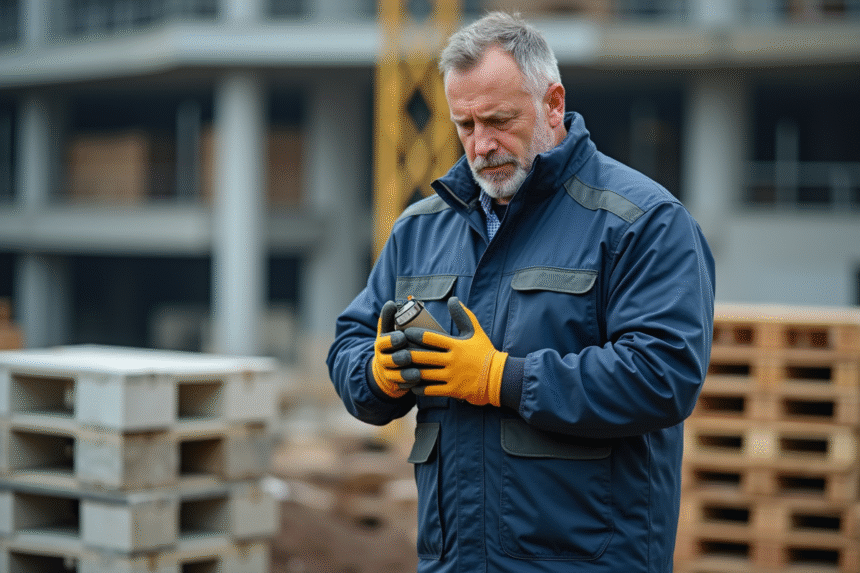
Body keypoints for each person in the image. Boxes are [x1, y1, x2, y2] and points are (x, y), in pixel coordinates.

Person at [327, 11, 714, 573]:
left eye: (499, 120)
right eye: (464, 126)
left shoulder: (641, 221)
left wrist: (499, 378)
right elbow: (349, 344)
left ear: (553, 103)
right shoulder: (420, 229)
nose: (481, 145)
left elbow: (663, 374)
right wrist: (377, 374)